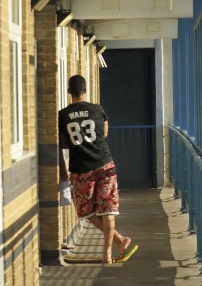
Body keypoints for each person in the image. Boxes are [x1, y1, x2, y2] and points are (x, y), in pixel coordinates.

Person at [59, 74, 132, 264]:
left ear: (69, 92)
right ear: (85, 90)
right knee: (107, 210)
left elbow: (63, 143)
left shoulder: (63, 115)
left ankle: (119, 241)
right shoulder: (97, 109)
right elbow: (104, 133)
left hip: (81, 168)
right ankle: (111, 249)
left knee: (86, 211)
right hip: (104, 163)